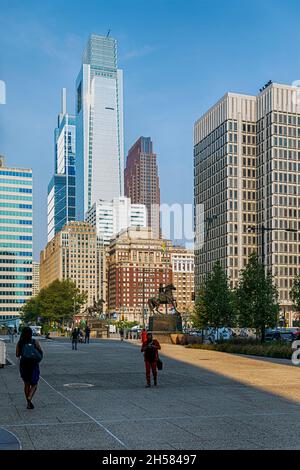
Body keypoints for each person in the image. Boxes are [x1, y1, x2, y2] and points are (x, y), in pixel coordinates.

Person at [16, 326, 43, 409]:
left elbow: (17, 355)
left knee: (26, 383)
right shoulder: (35, 341)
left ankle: (28, 403)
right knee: (35, 383)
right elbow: (40, 351)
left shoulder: (20, 343)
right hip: (33, 364)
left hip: (24, 364)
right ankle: (30, 397)